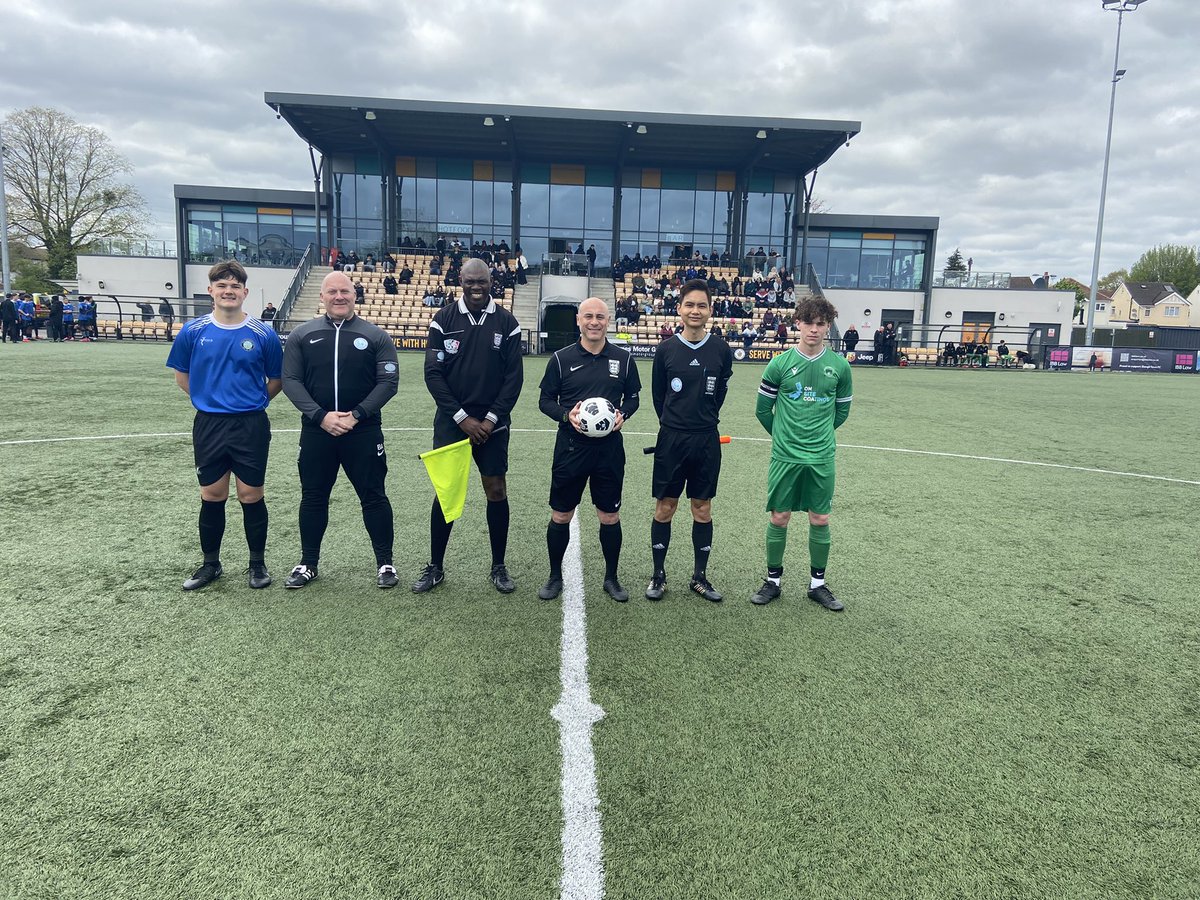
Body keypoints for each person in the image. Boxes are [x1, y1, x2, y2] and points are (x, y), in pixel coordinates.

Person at [165, 260, 284, 591]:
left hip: (251, 425)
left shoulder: (263, 333)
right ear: (211, 291)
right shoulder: (193, 331)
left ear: (244, 293)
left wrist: (255, 402)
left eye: (235, 286)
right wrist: (209, 400)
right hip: (209, 424)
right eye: (222, 285)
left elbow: (277, 379)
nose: (228, 291)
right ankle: (211, 564)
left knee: (250, 494)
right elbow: (182, 376)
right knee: (212, 494)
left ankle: (257, 565)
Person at [280, 271, 401, 590]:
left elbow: (388, 383)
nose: (338, 297)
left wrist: (357, 415)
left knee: (374, 497)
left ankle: (385, 563)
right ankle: (308, 563)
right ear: (322, 296)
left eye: (344, 291)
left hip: (363, 432)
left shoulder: (376, 336)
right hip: (317, 432)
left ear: (355, 295)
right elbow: (291, 381)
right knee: (313, 497)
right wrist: (320, 416)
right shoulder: (302, 336)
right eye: (331, 291)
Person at [413, 258, 524, 595]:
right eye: (470, 282)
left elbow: (513, 378)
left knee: (496, 490)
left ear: (492, 282)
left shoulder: (507, 323)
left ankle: (499, 566)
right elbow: (433, 374)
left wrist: (490, 419)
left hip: (493, 426)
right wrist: (462, 418)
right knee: (446, 493)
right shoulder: (443, 320)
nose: (477, 288)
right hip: (452, 423)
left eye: (483, 282)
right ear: (460, 281)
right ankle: (435, 566)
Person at [750, 295, 853, 611]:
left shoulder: (839, 366)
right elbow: (763, 410)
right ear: (798, 323)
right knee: (779, 517)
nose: (814, 329)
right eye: (808, 322)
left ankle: (817, 585)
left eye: (820, 324)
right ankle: (772, 582)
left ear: (827, 327)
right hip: (785, 457)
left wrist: (818, 437)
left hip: (821, 457)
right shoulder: (779, 364)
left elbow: (841, 413)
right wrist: (784, 437)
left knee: (820, 518)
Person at [536, 297, 642, 602]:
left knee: (609, 515)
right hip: (571, 448)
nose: (594, 322)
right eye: (588, 317)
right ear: (578, 321)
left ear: (608, 321)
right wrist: (565, 415)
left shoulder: (623, 359)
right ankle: (555, 576)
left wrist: (624, 414)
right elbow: (545, 401)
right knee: (561, 514)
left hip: (609, 450)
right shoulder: (560, 359)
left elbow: (633, 398)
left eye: (600, 317)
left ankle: (612, 578)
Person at [646, 280, 733, 602]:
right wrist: (674, 423)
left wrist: (700, 420)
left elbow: (720, 391)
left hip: (706, 440)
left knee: (702, 508)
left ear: (710, 310)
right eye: (690, 305)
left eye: (702, 305)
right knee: (665, 507)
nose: (695, 311)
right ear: (679, 309)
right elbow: (659, 396)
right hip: (671, 439)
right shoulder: (665, 350)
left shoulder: (721, 350)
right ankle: (658, 575)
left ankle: (700, 576)